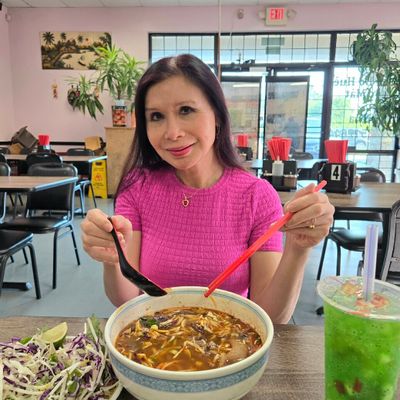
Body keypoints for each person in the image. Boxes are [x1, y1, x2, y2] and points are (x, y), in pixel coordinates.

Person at [81, 54, 334, 324]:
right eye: (156, 116)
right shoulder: (137, 188)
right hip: (156, 339)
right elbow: (127, 298)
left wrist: (298, 248)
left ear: (217, 115)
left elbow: (270, 316)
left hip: (230, 342)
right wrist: (112, 259)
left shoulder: (257, 196)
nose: (172, 132)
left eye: (186, 110)